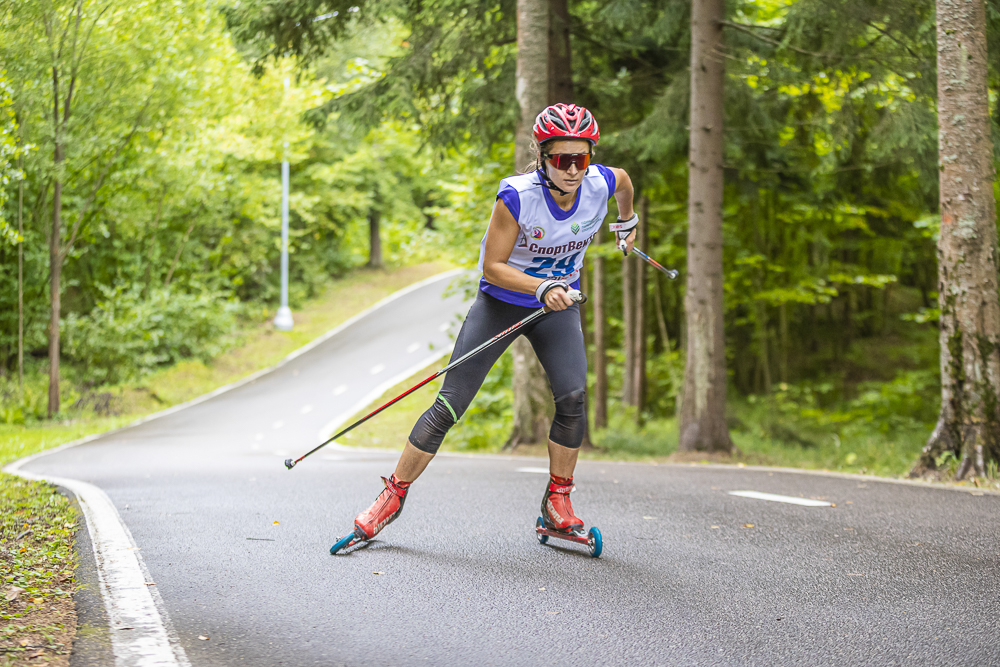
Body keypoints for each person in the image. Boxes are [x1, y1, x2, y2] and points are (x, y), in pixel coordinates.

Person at [348, 103, 637, 542]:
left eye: (582, 158)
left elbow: (624, 184)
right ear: (543, 157)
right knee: (449, 405)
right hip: (503, 302)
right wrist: (540, 287)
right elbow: (492, 267)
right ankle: (392, 495)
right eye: (562, 159)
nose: (574, 169)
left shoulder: (600, 181)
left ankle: (557, 503)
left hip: (555, 308)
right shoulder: (517, 197)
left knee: (574, 397)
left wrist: (626, 221)